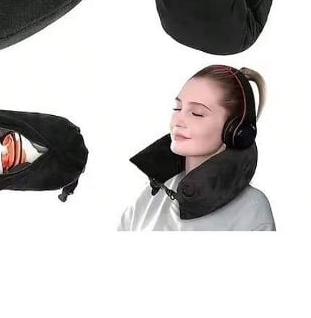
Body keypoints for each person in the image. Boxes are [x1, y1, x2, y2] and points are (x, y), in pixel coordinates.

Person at [118, 65, 275, 231]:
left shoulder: (252, 211)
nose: (178, 121)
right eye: (177, 108)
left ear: (235, 130)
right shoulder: (148, 198)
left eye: (197, 113)